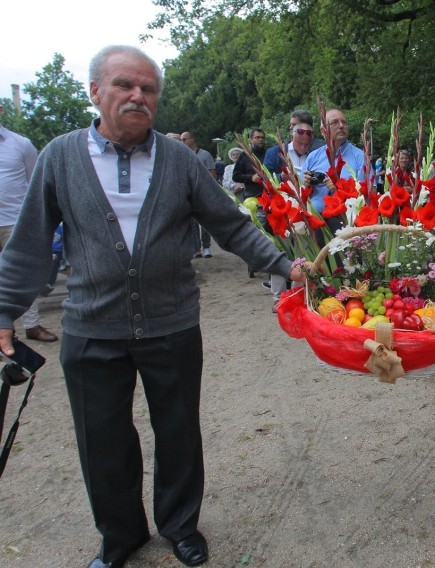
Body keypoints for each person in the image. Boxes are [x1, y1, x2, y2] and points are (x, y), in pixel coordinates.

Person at [0, 45, 307, 568]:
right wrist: (4, 311)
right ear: (95, 92)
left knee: (178, 431)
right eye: (124, 85)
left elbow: (229, 224)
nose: (138, 96)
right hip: (91, 326)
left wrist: (285, 264)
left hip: (172, 322)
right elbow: (29, 244)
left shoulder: (180, 160)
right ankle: (120, 537)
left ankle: (180, 526)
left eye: (148, 89)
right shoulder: (59, 156)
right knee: (103, 441)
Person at [0, 103, 58, 343]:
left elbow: (36, 184)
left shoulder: (20, 144)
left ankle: (32, 325)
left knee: (25, 271)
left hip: (16, 221)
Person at [302, 108, 369, 222]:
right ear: (323, 131)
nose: (341, 126)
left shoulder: (360, 157)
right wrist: (306, 184)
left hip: (346, 221)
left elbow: (365, 195)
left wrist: (336, 189)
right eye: (335, 123)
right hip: (314, 220)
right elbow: (301, 192)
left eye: (344, 122)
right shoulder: (313, 157)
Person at [181, 131, 216, 258]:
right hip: (187, 193)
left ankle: (206, 247)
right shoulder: (182, 154)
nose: (182, 142)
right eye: (181, 140)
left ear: (192, 139)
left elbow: (212, 173)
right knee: (192, 223)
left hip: (202, 192)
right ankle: (196, 248)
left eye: (185, 139)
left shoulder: (205, 155)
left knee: (205, 222)